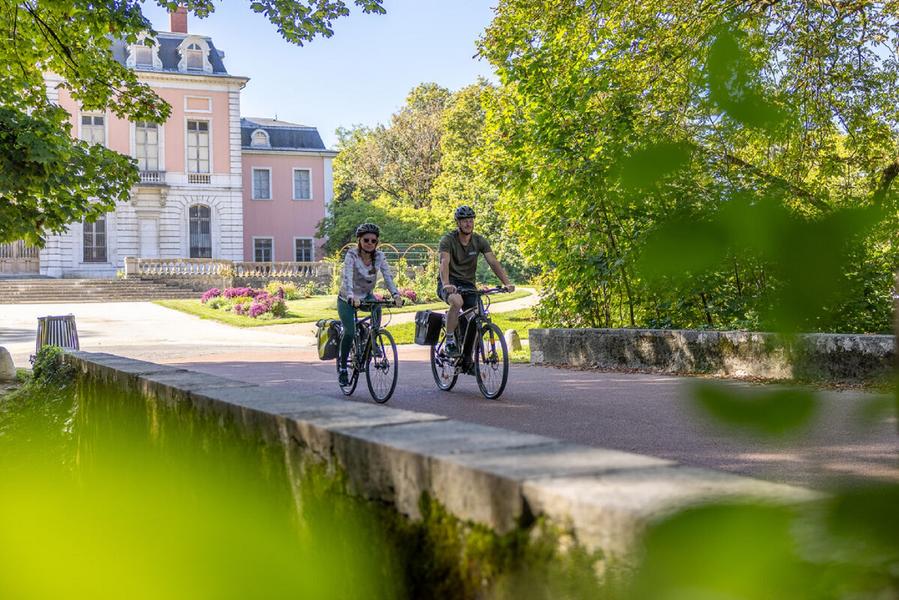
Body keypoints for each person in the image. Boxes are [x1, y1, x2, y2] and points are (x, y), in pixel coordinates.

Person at [437, 205, 515, 357]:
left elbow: (493, 261)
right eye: (464, 221)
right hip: (450, 282)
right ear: (458, 223)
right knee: (457, 302)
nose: (468, 224)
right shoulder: (448, 240)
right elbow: (444, 262)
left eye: (470, 220)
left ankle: (468, 358)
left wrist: (507, 282)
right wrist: (446, 284)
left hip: (468, 284)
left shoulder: (479, 240)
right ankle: (450, 341)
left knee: (476, 316)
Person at [337, 223, 404, 386]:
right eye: (366, 239)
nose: (370, 243)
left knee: (377, 306)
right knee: (350, 332)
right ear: (359, 240)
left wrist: (396, 295)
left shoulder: (379, 256)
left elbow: (388, 276)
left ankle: (373, 341)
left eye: (373, 241)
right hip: (347, 298)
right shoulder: (351, 255)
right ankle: (343, 369)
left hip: (366, 296)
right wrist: (352, 296)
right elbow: (347, 276)